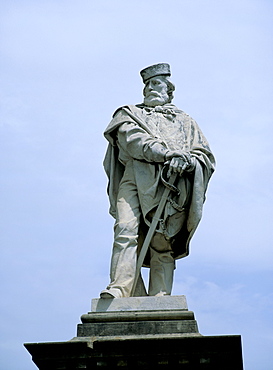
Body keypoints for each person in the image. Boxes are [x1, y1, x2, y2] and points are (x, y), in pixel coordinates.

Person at [100, 63, 215, 299]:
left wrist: (188, 162)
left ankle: (160, 296)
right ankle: (120, 287)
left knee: (162, 242)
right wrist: (166, 154)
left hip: (170, 184)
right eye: (146, 85)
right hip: (135, 176)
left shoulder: (185, 121)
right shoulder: (128, 114)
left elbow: (204, 155)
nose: (149, 88)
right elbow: (133, 140)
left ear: (168, 89)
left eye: (156, 83)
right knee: (125, 229)